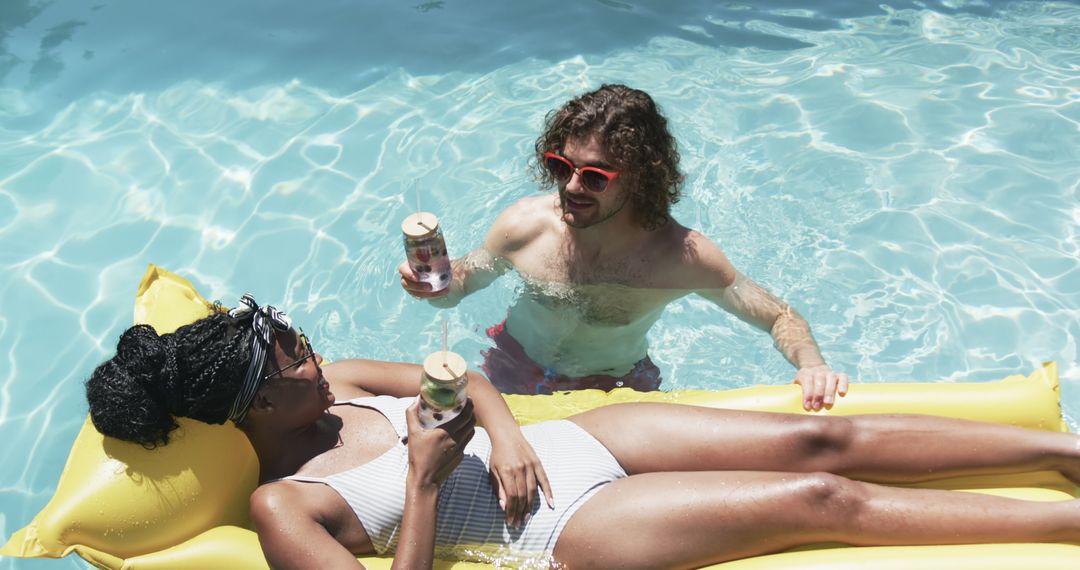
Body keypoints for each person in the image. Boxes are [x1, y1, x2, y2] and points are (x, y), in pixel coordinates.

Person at [86, 294, 1080, 570]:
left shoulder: (345, 382)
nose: (312, 351)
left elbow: (464, 377)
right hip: (561, 534)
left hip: (568, 448)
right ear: (258, 405)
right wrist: (426, 480)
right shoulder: (284, 505)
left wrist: (508, 433)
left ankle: (1063, 456)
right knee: (824, 502)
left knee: (823, 441)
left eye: (296, 336)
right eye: (290, 355)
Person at [399, 84, 847, 410]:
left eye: (595, 176)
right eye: (561, 166)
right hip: (513, 364)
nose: (571, 187)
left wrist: (812, 366)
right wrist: (434, 284)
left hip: (613, 389)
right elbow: (460, 284)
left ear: (639, 177)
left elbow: (778, 315)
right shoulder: (523, 226)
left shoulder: (681, 258)